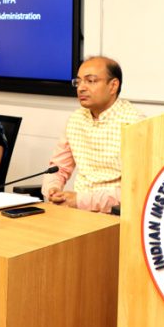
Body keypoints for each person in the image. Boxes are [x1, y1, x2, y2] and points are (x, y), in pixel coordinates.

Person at [41, 56, 144, 213]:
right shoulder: (76, 119)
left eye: (90, 81)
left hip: (117, 216)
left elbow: (136, 190)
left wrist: (80, 201)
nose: (81, 88)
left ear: (113, 86)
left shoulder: (135, 124)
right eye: (78, 81)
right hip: (77, 212)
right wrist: (52, 189)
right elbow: (58, 168)